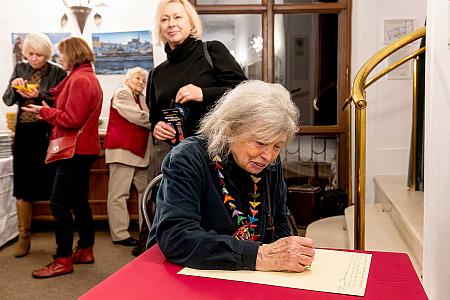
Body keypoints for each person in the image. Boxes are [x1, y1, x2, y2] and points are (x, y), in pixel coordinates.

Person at [148, 80, 315, 272]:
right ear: (230, 129)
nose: (268, 156)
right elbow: (177, 238)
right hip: (183, 272)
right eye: (260, 142)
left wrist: (287, 256)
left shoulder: (269, 165)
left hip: (245, 274)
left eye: (277, 146)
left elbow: (279, 220)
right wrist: (257, 256)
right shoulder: (188, 157)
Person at [134, 0, 247, 256]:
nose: (171, 24)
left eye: (177, 17)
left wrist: (202, 93)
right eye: (165, 19)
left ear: (190, 22)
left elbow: (242, 91)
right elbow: (154, 115)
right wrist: (157, 126)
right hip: (173, 156)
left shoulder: (212, 51)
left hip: (212, 152)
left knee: (216, 219)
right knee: (173, 216)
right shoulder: (158, 73)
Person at [22, 37, 103, 278]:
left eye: (62, 54)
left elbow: (71, 119)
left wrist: (45, 112)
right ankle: (85, 249)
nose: (60, 58)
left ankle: (63, 258)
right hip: (84, 149)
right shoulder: (86, 76)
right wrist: (46, 109)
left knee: (59, 204)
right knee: (79, 202)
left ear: (73, 54)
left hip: (74, 151)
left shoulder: (79, 80)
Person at [3, 32, 67, 258]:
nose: (34, 58)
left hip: (46, 134)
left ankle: (62, 241)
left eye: (39, 55)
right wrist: (14, 86)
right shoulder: (20, 68)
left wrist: (36, 93)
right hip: (23, 136)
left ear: (47, 54)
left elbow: (60, 102)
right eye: (30, 54)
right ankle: (24, 237)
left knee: (54, 187)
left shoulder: (57, 71)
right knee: (22, 187)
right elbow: (8, 100)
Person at [104, 67, 151, 246]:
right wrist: (158, 122)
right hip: (123, 150)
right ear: (127, 79)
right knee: (119, 194)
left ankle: (145, 230)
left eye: (143, 80)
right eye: (137, 78)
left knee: (145, 192)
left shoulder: (141, 98)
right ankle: (120, 234)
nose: (141, 82)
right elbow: (138, 117)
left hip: (139, 152)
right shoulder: (122, 93)